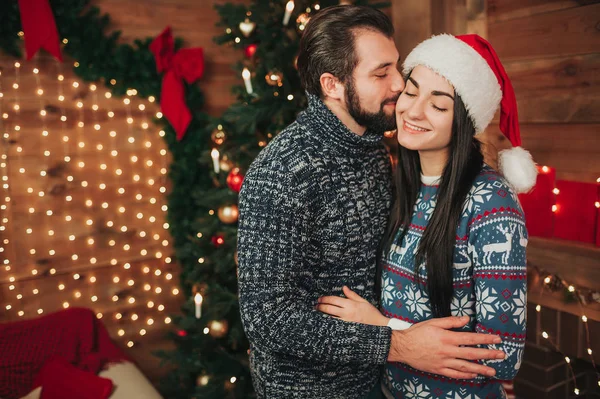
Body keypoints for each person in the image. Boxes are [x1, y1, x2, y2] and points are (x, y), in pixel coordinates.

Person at [237, 6, 507, 398]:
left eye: (396, 66)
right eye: (381, 74)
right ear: (332, 85)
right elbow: (268, 319)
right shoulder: (283, 171)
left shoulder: (376, 150)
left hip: (381, 384)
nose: (399, 84)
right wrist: (398, 344)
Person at [317, 34, 537, 398]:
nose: (413, 111)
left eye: (438, 105)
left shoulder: (491, 203)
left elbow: (504, 357)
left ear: (463, 122)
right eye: (411, 91)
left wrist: (384, 329)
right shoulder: (401, 183)